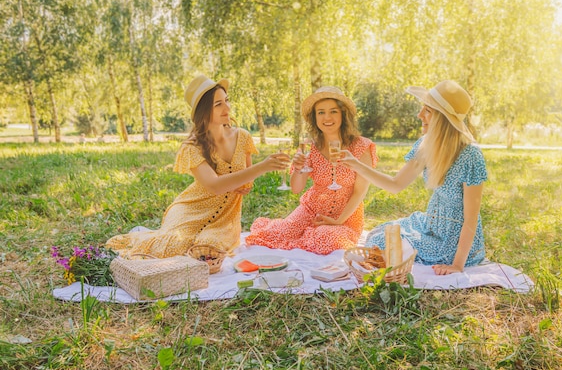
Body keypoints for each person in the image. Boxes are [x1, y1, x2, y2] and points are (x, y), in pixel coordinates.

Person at [106, 75, 290, 258]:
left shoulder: (243, 137)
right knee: (173, 247)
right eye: (218, 104)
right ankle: (143, 238)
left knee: (208, 249)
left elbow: (245, 182)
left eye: (226, 101)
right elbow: (215, 185)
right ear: (203, 111)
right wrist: (262, 167)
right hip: (190, 208)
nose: (227, 108)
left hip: (225, 219)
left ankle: (154, 236)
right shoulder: (191, 147)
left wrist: (246, 182)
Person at [338, 80, 487, 275]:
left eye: (427, 111)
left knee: (387, 244)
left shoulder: (471, 156)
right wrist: (356, 164)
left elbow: (471, 219)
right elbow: (395, 184)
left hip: (453, 240)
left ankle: (389, 261)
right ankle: (386, 260)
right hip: (431, 225)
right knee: (378, 236)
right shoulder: (426, 145)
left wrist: (457, 265)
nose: (419, 115)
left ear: (442, 118)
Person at [245, 86, 378, 255]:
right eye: (321, 112)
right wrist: (299, 169)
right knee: (277, 234)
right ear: (314, 117)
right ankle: (304, 232)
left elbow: (359, 192)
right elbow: (296, 188)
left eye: (333, 111)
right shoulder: (309, 146)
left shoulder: (361, 146)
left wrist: (338, 221)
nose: (327, 117)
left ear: (343, 114)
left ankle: (312, 234)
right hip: (311, 208)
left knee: (326, 238)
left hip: (345, 216)